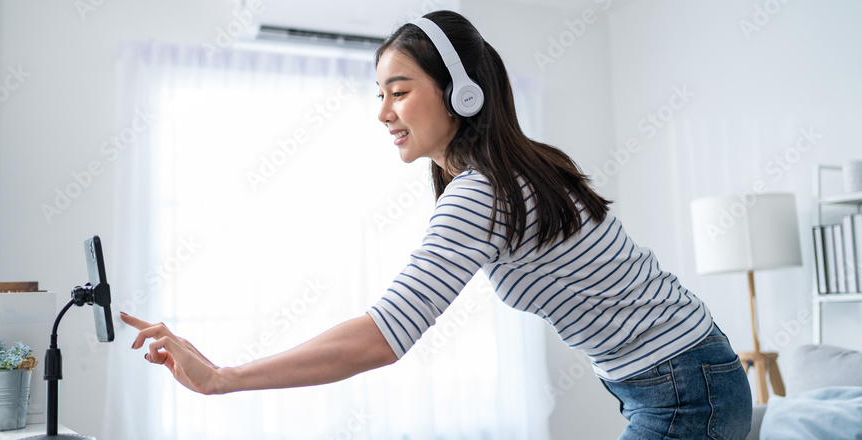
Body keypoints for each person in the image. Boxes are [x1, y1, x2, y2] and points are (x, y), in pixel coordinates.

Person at [120, 10, 752, 439]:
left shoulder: (484, 191)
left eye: (398, 90)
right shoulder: (511, 172)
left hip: (682, 387)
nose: (383, 112)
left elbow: (383, 336)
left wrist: (225, 378)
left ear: (461, 93)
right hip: (685, 374)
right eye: (379, 94)